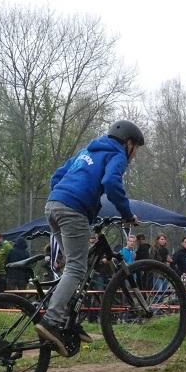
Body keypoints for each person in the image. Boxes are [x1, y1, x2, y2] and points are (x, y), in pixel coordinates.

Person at [34, 120, 144, 356]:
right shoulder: (118, 154)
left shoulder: (88, 150)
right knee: (76, 267)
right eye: (136, 150)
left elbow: (57, 176)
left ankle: (68, 322)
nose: (134, 156)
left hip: (53, 205)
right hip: (73, 209)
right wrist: (126, 214)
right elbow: (111, 184)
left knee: (75, 269)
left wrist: (66, 197)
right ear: (129, 143)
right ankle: (51, 321)